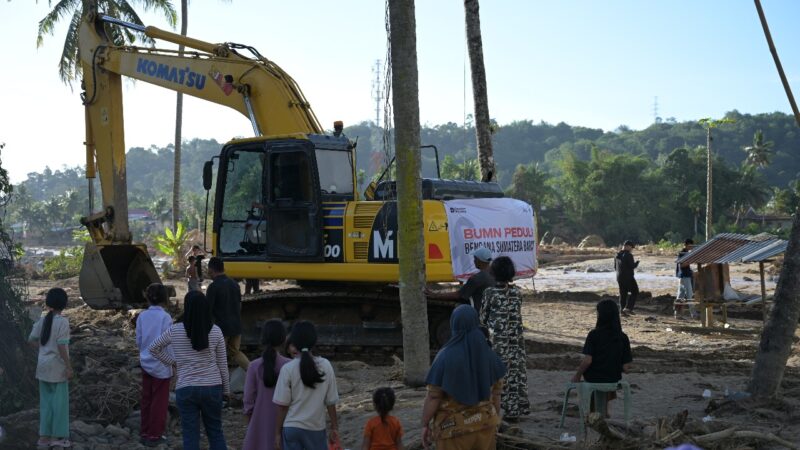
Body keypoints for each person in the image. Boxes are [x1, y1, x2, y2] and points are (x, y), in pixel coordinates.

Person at [149, 291, 230, 450]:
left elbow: (154, 348)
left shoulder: (175, 330)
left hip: (186, 388)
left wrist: (174, 363)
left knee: (190, 435)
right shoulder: (216, 331)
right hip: (212, 388)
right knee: (215, 432)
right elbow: (222, 364)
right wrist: (226, 390)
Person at [422, 305, 506, 449]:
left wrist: (424, 424)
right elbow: (496, 395)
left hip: (453, 430)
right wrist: (494, 419)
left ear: (453, 324)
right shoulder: (490, 356)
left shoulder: (444, 357)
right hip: (486, 425)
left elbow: (433, 397)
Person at [273, 321, 339, 450]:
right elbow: (331, 402)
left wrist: (277, 433)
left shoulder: (288, 369)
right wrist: (334, 427)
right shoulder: (325, 365)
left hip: (292, 428)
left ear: (293, 342)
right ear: (314, 342)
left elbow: (282, 406)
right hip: (315, 428)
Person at [480, 256, 530, 420]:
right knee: (515, 373)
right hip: (516, 342)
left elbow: (482, 319)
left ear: (493, 272)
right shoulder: (517, 292)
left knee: (499, 376)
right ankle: (515, 410)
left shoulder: (489, 292)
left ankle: (497, 411)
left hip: (499, 343)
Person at [571, 299, 633, 416]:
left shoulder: (594, 334)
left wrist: (577, 375)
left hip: (594, 378)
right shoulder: (623, 337)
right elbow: (626, 367)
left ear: (600, 315)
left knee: (596, 378)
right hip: (612, 379)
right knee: (607, 376)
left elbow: (588, 360)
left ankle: (595, 412)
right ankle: (604, 411)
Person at [29, 288, 72, 449]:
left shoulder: (42, 321)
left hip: (43, 366)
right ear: (64, 304)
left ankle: (44, 437)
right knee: (59, 404)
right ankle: (58, 437)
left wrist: (43, 349)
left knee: (46, 403)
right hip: (57, 367)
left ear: (48, 304)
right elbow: (62, 347)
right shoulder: (62, 322)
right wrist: (68, 367)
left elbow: (31, 340)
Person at [243, 320, 291, 450]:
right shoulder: (290, 366)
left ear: (263, 338)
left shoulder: (253, 366)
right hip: (286, 424)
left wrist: (252, 426)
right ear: (283, 339)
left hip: (259, 424)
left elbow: (248, 401)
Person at [135, 284, 174, 447]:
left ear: (148, 297)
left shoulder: (142, 316)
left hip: (145, 361)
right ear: (165, 298)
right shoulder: (166, 318)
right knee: (159, 400)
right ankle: (154, 434)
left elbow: (138, 340)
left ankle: (144, 431)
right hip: (161, 363)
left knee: (146, 398)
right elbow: (169, 344)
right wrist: (173, 363)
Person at [206, 257, 250, 371]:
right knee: (235, 352)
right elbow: (239, 306)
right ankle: (252, 371)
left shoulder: (213, 287)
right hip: (236, 326)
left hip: (221, 329)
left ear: (211, 270)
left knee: (215, 356)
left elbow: (207, 310)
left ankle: (216, 382)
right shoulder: (234, 284)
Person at [425, 247, 495, 313]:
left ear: (479, 260)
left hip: (480, 315)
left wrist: (435, 295)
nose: (474, 261)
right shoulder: (495, 274)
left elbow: (458, 295)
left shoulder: (477, 278)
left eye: (475, 258)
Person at [615, 240, 639, 316]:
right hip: (628, 277)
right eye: (631, 248)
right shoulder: (628, 255)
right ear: (628, 247)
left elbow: (615, 267)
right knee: (635, 291)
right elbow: (632, 266)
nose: (632, 249)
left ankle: (622, 311)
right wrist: (638, 262)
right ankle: (628, 308)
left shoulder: (617, 255)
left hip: (619, 277)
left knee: (623, 294)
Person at [675, 239, 697, 319]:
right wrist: (690, 261)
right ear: (687, 245)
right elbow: (682, 265)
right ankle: (693, 314)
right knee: (689, 296)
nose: (691, 247)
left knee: (680, 296)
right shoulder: (683, 253)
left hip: (683, 276)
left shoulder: (686, 253)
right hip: (684, 277)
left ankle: (677, 314)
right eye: (690, 246)